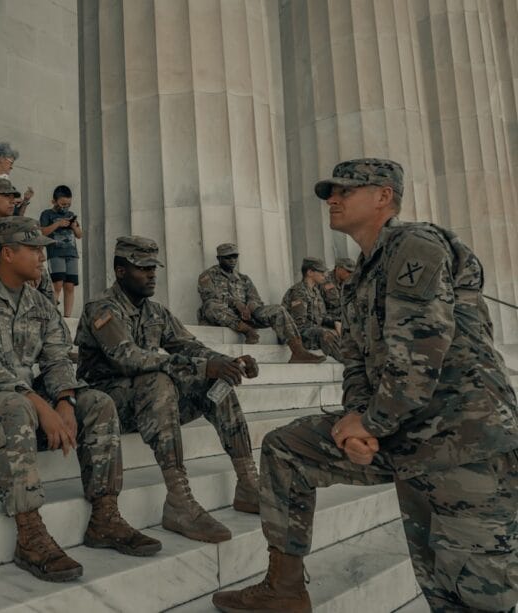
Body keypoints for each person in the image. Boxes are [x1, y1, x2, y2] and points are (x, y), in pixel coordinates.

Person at [212, 158, 518, 613]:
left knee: (473, 597)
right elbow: (356, 361)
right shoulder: (361, 277)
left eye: (345, 190)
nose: (332, 199)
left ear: (383, 196)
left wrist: (372, 420)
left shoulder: (415, 245)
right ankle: (285, 588)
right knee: (286, 447)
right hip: (404, 437)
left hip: (465, 442)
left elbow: (419, 353)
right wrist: (358, 422)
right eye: (330, 192)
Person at [0, 217, 161, 582]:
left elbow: (57, 358)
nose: (43, 257)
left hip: (25, 411)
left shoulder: (40, 302)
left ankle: (105, 516)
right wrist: (41, 405)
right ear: (7, 253)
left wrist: (65, 401)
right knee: (14, 405)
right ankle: (30, 533)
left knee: (99, 403)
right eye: (34, 249)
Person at [76, 235, 262, 544]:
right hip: (108, 405)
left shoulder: (155, 312)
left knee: (217, 382)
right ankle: (179, 498)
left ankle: (247, 483)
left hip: (150, 407)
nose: (152, 275)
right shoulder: (101, 308)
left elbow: (191, 346)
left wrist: (230, 361)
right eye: (143, 268)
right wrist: (201, 366)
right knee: (158, 379)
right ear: (121, 271)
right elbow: (128, 359)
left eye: (154, 268)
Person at [197, 244, 325, 363]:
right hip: (226, 315)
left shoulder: (243, 278)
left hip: (247, 315)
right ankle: (248, 331)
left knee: (278, 310)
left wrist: (250, 307)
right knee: (210, 306)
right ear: (219, 258)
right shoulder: (208, 276)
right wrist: (237, 304)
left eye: (235, 256)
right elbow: (210, 296)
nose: (232, 260)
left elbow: (255, 299)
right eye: (227, 257)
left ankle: (298, 351)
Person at [280, 257, 342, 362]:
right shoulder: (299, 291)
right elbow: (298, 326)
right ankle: (347, 361)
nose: (325, 275)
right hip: (296, 337)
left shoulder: (315, 291)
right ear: (310, 272)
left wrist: (335, 322)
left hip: (311, 332)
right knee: (325, 333)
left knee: (344, 330)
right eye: (321, 272)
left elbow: (321, 317)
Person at [39, 185, 82, 316]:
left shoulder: (70, 215)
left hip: (72, 254)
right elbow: (42, 232)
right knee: (57, 284)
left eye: (68, 204)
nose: (65, 207)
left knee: (69, 286)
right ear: (54, 201)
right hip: (56, 253)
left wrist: (74, 227)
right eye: (62, 204)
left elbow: (80, 235)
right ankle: (52, 314)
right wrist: (58, 224)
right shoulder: (47, 214)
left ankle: (68, 316)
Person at [320, 257, 355, 323]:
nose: (350, 275)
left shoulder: (350, 282)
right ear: (338, 269)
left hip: (346, 318)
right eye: (348, 271)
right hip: (330, 320)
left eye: (352, 272)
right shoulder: (323, 281)